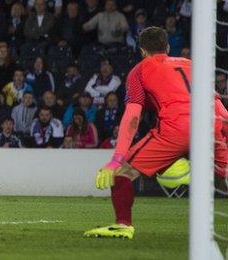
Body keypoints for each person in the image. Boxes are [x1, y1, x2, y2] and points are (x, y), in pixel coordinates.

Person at [84, 27, 228, 239]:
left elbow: (133, 116)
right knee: (223, 177)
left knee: (123, 173)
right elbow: (217, 106)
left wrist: (117, 158)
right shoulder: (192, 65)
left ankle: (123, 224)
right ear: (167, 48)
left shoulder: (139, 71)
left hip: (175, 129)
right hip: (211, 125)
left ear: (142, 51)